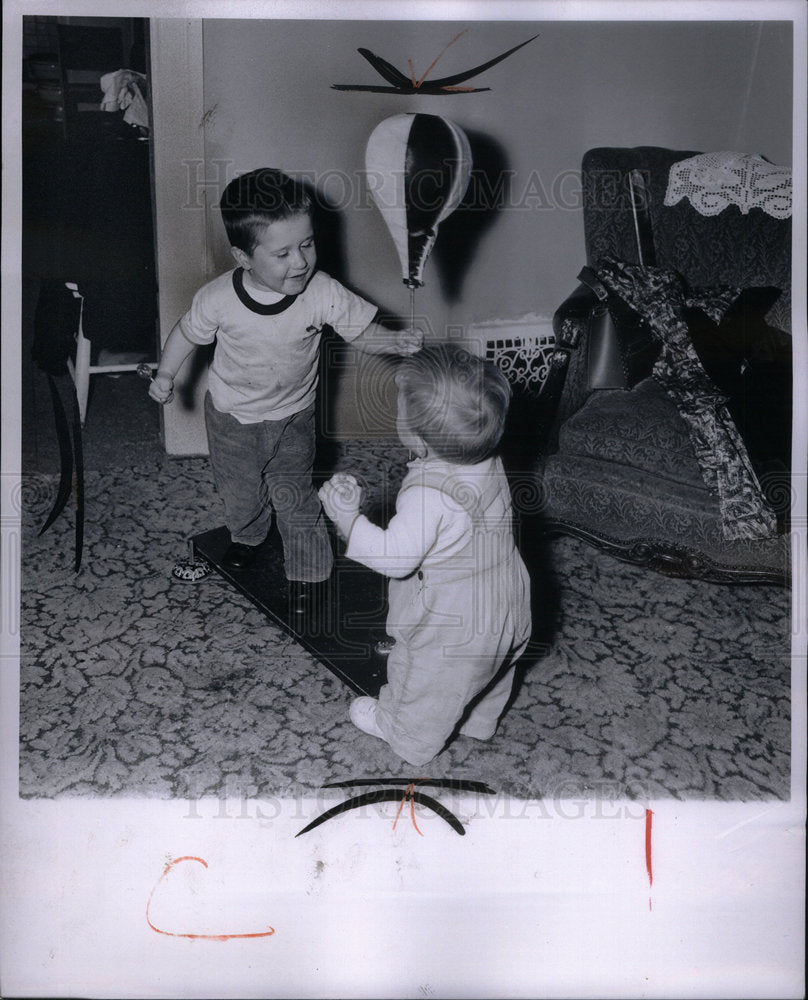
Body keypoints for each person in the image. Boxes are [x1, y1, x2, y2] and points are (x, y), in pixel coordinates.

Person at [149, 168, 421, 598]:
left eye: (307, 244)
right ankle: (248, 536)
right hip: (232, 418)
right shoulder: (218, 299)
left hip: (295, 414)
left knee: (295, 490)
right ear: (244, 258)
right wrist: (166, 374)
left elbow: (359, 330)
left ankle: (310, 568)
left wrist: (393, 341)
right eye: (282, 254)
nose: (301, 262)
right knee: (241, 493)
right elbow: (186, 333)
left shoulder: (322, 291)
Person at [319, 343, 532, 766]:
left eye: (400, 412)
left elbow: (396, 559)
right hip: (508, 591)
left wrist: (348, 519)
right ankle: (479, 721)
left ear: (417, 436)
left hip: (454, 616)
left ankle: (405, 735)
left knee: (428, 676)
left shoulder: (427, 495)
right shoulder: (488, 458)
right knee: (493, 664)